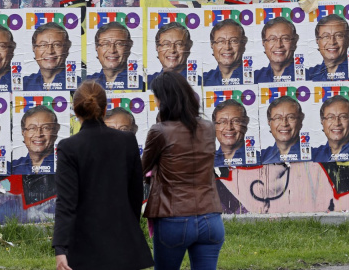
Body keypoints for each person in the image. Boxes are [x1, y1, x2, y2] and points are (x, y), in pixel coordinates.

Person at [53, 81, 154, 270]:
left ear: (75, 112)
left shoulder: (69, 147)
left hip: (85, 247)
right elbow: (135, 192)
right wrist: (129, 225)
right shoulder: (127, 140)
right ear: (105, 108)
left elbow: (66, 202)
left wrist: (60, 248)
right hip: (123, 241)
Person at [142, 71, 224, 269]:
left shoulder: (159, 131)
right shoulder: (208, 128)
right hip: (211, 218)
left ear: (164, 100)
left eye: (157, 99)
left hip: (173, 218)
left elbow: (142, 169)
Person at [23, 22, 80, 91]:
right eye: (43, 45)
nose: (50, 51)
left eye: (57, 45)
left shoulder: (81, 86)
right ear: (34, 48)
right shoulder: (23, 84)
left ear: (67, 49)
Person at [87, 22, 142, 90]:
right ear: (96, 47)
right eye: (105, 44)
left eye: (119, 44)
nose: (112, 50)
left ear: (129, 47)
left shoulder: (143, 84)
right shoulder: (85, 83)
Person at [307, 14, 349, 81]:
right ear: (317, 41)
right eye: (326, 36)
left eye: (338, 36)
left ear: (348, 40)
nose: (332, 42)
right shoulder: (309, 75)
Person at [313, 95, 349, 162]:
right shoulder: (312, 156)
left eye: (343, 117)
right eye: (330, 117)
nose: (337, 123)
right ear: (322, 121)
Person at [13, 106, 60, 175]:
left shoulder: (65, 165)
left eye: (46, 128)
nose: (38, 134)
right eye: (32, 128)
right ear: (23, 132)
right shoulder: (13, 167)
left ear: (55, 131)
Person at [212, 99, 259, 167]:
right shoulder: (207, 162)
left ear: (245, 123)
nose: (229, 127)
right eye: (222, 122)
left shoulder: (261, 159)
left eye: (235, 121)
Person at [204, 19, 248, 86]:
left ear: (243, 44)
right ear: (212, 45)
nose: (227, 47)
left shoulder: (256, 78)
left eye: (233, 41)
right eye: (220, 41)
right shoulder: (203, 81)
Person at [261, 96, 305, 164]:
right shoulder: (260, 157)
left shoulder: (316, 155)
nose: (284, 124)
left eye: (291, 117)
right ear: (269, 122)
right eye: (278, 118)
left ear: (300, 121)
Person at [255, 17, 299, 83]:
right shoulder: (254, 78)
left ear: (294, 43)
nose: (278, 45)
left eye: (285, 39)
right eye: (272, 39)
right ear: (264, 43)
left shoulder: (309, 76)